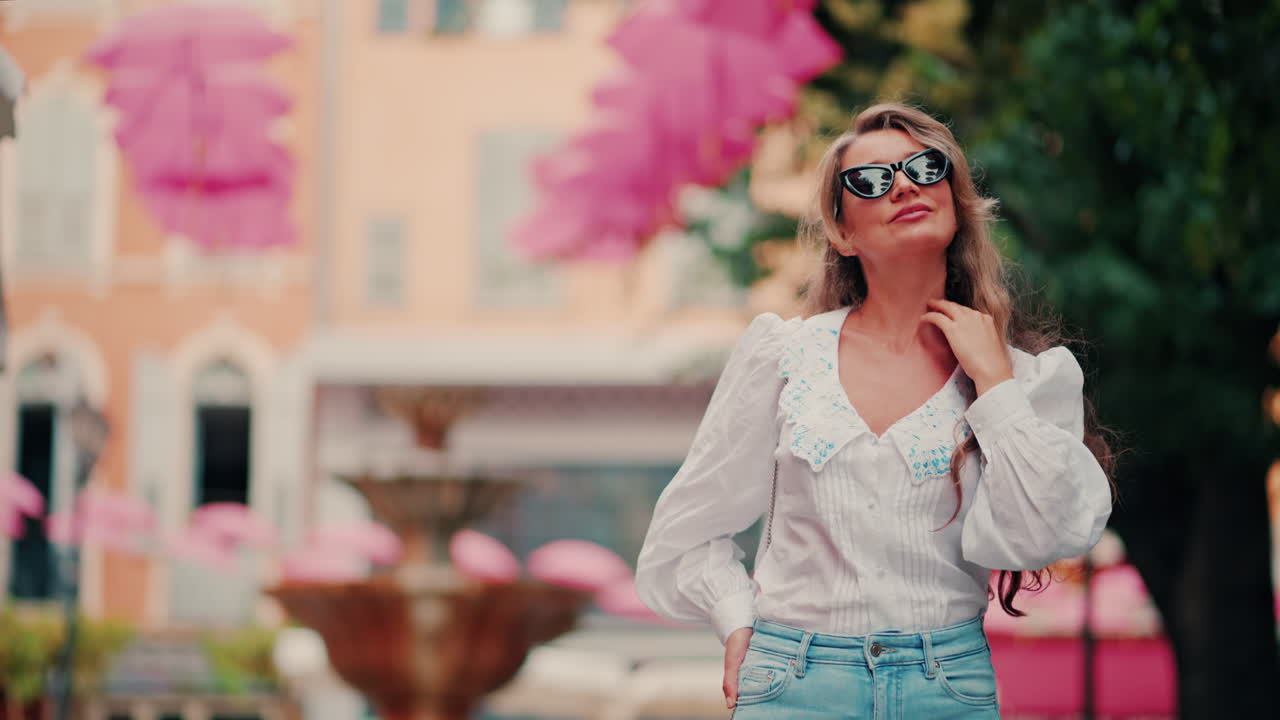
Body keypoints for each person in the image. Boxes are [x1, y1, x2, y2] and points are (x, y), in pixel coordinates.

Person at [635, 102, 1115, 718]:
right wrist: (737, 623)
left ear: (955, 198)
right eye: (871, 181)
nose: (906, 185)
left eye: (925, 166)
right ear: (842, 232)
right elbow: (689, 529)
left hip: (947, 689)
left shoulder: (1023, 375)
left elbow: (1044, 534)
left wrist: (994, 387)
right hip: (795, 685)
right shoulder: (785, 357)